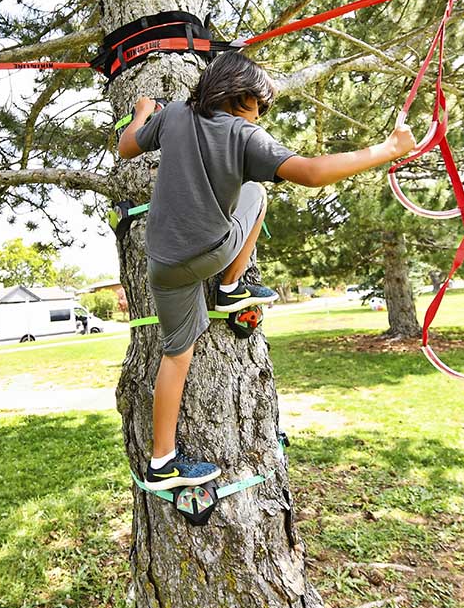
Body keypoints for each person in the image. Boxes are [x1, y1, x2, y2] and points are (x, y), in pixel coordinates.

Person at [118, 52, 415, 490]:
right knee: (256, 193)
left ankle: (161, 462)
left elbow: (126, 146)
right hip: (210, 256)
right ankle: (231, 287)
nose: (259, 116)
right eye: (258, 105)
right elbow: (311, 172)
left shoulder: (174, 114)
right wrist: (388, 149)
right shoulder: (244, 134)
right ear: (240, 96)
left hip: (161, 264)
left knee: (176, 355)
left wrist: (143, 112)